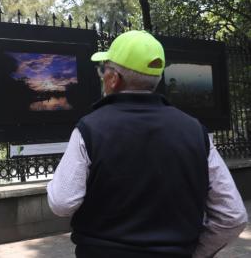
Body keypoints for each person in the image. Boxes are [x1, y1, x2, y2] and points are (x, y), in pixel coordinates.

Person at [47, 30, 247, 258]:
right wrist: (196, 253)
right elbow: (233, 216)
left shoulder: (89, 129)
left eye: (104, 69)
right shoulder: (195, 131)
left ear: (113, 78)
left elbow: (62, 202)